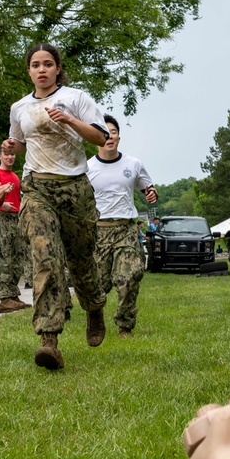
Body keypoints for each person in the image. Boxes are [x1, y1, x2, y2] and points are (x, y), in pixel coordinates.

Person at [2, 43, 109, 370]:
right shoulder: (19, 107)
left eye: (48, 64)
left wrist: (69, 121)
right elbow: (20, 142)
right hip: (37, 188)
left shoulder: (76, 98)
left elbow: (100, 138)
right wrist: (12, 146)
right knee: (44, 254)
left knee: (80, 260)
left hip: (74, 188)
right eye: (36, 65)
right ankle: (49, 339)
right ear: (29, 70)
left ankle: (94, 307)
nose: (42, 69)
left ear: (58, 68)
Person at [87, 114, 158, 336]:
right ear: (97, 137)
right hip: (98, 231)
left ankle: (125, 325)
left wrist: (151, 194)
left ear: (119, 137)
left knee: (130, 275)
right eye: (104, 133)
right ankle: (95, 318)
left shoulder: (133, 164)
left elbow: (147, 187)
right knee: (98, 284)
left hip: (126, 228)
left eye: (113, 132)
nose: (109, 137)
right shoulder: (86, 167)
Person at [0, 143, 31, 312]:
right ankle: (4, 295)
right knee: (4, 257)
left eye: (12, 154)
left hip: (16, 219)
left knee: (17, 257)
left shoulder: (15, 176)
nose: (10, 157)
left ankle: (13, 293)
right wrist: (1, 205)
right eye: (6, 154)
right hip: (2, 219)